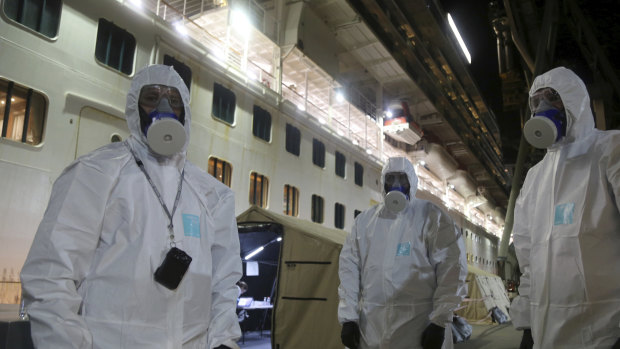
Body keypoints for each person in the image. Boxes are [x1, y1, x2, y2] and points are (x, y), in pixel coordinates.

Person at [20, 65, 242, 349]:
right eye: (152, 98)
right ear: (133, 107)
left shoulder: (213, 195)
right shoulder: (94, 175)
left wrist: (223, 341)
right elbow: (50, 274)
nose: (164, 107)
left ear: (185, 112)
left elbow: (225, 283)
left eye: (174, 101)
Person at [511, 67, 620, 349]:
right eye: (536, 102)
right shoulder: (534, 179)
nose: (543, 106)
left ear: (575, 102)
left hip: (605, 332)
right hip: (546, 334)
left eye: (552, 97)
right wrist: (526, 324)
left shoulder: (610, 150)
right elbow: (527, 259)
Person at [338, 156, 467, 349]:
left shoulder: (432, 217)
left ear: (412, 182)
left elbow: (452, 270)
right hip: (372, 328)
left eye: (402, 179)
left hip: (419, 328)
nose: (396, 185)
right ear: (383, 182)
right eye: (390, 179)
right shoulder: (364, 223)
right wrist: (349, 318)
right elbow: (349, 270)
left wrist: (439, 322)